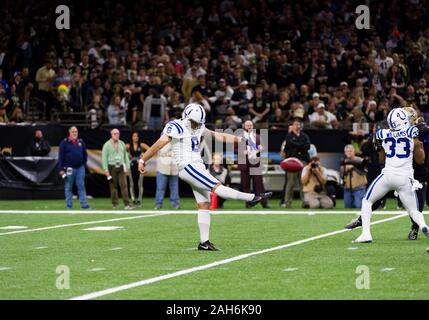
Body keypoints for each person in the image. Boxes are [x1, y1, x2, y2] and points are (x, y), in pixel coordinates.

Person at [138, 103, 272, 251]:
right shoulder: (176, 126)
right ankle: (252, 197)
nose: (196, 125)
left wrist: (239, 139)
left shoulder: (199, 126)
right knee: (217, 187)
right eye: (195, 122)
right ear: (186, 117)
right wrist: (143, 159)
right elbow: (159, 144)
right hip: (188, 166)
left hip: (197, 165)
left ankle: (204, 242)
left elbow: (218, 135)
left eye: (198, 123)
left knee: (204, 203)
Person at [352, 108, 429, 243]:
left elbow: (381, 158)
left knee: (367, 201)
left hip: (388, 175)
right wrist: (420, 125)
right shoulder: (412, 133)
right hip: (406, 177)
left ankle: (366, 234)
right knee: (413, 210)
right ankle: (423, 226)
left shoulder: (382, 133)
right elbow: (422, 132)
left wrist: (379, 146)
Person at [280, 118, 311, 208]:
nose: (297, 126)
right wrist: (300, 146)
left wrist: (296, 145)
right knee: (290, 183)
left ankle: (305, 202)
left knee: (303, 182)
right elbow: (289, 145)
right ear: (292, 126)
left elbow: (307, 146)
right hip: (292, 162)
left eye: (299, 124)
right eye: (296, 124)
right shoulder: (288, 136)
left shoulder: (304, 136)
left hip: (303, 161)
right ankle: (287, 202)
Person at [57, 126, 90, 209]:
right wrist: (61, 169)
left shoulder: (81, 142)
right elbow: (61, 156)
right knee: (68, 186)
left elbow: (85, 155)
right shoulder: (64, 142)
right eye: (73, 132)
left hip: (80, 168)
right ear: (69, 133)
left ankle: (84, 204)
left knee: (81, 186)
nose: (75, 133)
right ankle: (69, 204)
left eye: (76, 131)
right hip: (69, 168)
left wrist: (83, 165)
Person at [238, 120, 269, 208]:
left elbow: (263, 147)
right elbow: (234, 148)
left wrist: (261, 148)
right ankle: (248, 203)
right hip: (245, 163)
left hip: (256, 163)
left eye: (250, 125)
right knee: (246, 185)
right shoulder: (239, 137)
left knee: (259, 184)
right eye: (247, 125)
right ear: (243, 126)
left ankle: (264, 203)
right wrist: (242, 152)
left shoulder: (258, 137)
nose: (249, 127)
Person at [102, 128, 133, 210]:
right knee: (113, 187)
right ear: (111, 135)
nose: (117, 135)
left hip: (121, 166)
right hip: (112, 166)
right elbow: (104, 158)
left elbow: (125, 156)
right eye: (115, 134)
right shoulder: (106, 145)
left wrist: (128, 168)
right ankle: (115, 204)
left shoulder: (122, 143)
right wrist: (106, 170)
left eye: (118, 133)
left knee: (124, 186)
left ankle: (127, 204)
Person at [126, 132, 149, 207]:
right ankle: (133, 200)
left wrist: (143, 156)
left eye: (137, 136)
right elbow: (120, 151)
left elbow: (150, 150)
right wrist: (127, 156)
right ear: (132, 137)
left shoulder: (141, 145)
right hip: (131, 166)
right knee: (132, 184)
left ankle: (139, 200)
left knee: (140, 184)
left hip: (140, 166)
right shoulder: (128, 146)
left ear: (138, 138)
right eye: (134, 136)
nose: (135, 138)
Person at [155, 142, 180, 210]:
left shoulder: (178, 143)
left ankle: (175, 204)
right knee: (160, 188)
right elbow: (162, 152)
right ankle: (158, 204)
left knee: (174, 188)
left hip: (174, 168)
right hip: (162, 167)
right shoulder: (161, 142)